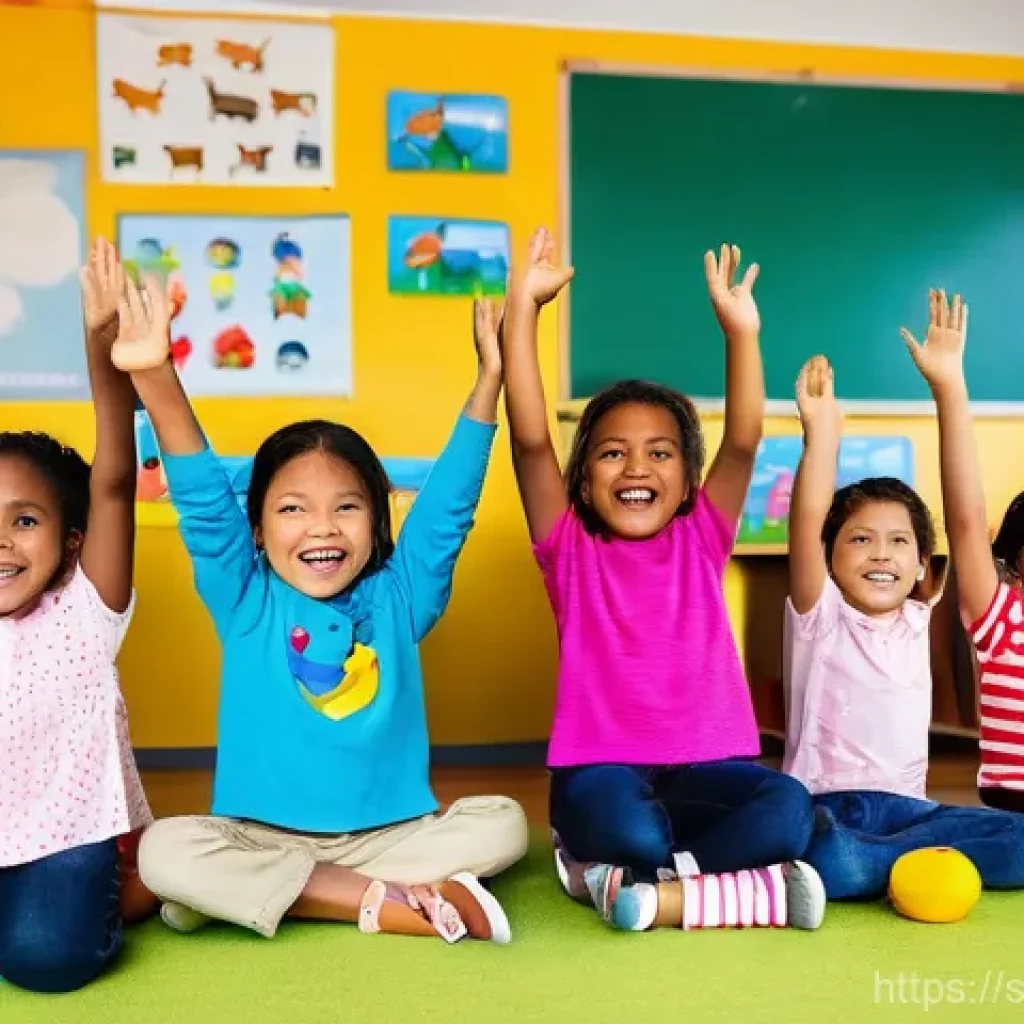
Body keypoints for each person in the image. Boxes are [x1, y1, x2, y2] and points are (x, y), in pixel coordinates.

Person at [124, 273, 527, 945]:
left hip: (390, 839)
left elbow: (448, 510)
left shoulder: (399, 596)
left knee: (505, 820)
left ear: (376, 523)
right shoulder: (246, 595)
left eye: (347, 507)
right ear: (256, 530)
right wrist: (158, 375)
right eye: (292, 509)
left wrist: (490, 380)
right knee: (164, 849)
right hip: (257, 834)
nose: (322, 528)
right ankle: (378, 904)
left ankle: (272, 894)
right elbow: (200, 499)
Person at [502, 227, 825, 933]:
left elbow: (743, 440)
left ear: (686, 481)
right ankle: (703, 882)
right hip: (603, 773)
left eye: (659, 453)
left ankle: (659, 888)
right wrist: (522, 311)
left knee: (791, 809)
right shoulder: (569, 548)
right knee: (626, 828)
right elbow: (529, 439)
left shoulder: (702, 536)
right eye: (612, 454)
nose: (637, 468)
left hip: (705, 771)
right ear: (582, 484)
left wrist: (741, 332)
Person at [787, 326, 1024, 902]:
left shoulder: (918, 619)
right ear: (828, 557)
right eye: (860, 540)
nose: (880, 554)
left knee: (1018, 844)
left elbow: (956, 527)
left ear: (923, 565)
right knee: (831, 854)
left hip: (912, 812)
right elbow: (964, 519)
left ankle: (882, 863)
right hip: (827, 805)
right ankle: (862, 865)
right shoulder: (820, 617)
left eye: (898, 543)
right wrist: (821, 439)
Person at [0, 238, 154, 993]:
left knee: (43, 958)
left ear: (70, 543)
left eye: (23, 521)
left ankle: (141, 881)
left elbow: (115, 483)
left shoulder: (84, 614)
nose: (0, 540)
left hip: (69, 836)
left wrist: (102, 344)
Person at [903, 291, 1024, 815]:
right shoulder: (1001, 618)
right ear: (1017, 560)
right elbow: (968, 522)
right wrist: (950, 388)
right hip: (1012, 809)